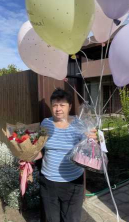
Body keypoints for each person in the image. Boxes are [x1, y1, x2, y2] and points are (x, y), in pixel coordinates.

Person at [36, 88, 97, 222]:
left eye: (62, 105)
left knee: (71, 219)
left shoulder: (79, 124)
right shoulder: (46, 123)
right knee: (51, 219)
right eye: (54, 105)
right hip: (48, 181)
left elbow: (88, 150)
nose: (58, 109)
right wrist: (28, 155)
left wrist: (94, 140)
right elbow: (39, 149)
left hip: (73, 182)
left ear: (69, 106)